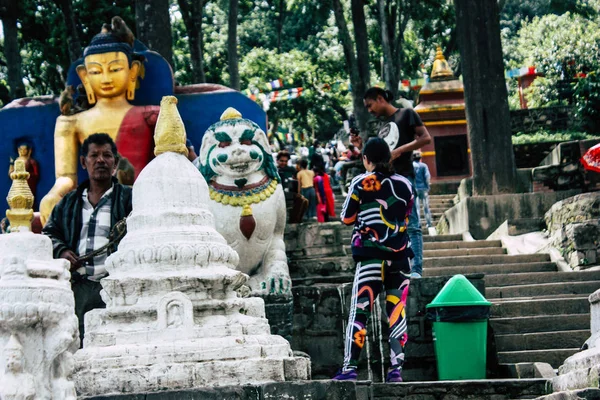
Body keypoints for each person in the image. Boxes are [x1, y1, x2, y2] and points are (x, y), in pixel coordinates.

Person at [39, 19, 159, 225]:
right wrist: (53, 195)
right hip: (92, 199)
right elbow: (66, 178)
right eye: (95, 71)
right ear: (84, 77)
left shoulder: (151, 114)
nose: (105, 78)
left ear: (132, 71)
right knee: (51, 206)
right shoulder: (70, 123)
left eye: (115, 69)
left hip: (141, 198)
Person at [333, 137, 414, 383]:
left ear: (366, 159)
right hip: (400, 258)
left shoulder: (361, 182)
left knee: (359, 313)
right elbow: (406, 215)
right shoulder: (405, 184)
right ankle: (395, 371)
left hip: (370, 257)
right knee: (396, 312)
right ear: (389, 158)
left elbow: (346, 219)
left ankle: (349, 369)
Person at [42, 133, 133, 346]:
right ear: (84, 162)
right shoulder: (68, 203)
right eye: (94, 155)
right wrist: (62, 252)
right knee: (78, 345)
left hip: (116, 287)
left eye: (107, 155)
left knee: (116, 345)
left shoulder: (129, 199)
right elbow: (48, 234)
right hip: (79, 288)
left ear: (115, 163)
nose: (100, 160)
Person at [357, 87, 432, 279]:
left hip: (404, 177)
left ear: (380, 98)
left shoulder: (407, 114)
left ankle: (416, 269)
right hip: (385, 182)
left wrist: (399, 151)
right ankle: (397, 267)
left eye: (370, 105)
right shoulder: (382, 128)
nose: (369, 110)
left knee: (412, 224)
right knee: (389, 226)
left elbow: (425, 138)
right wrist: (360, 146)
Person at [413, 151, 433, 229]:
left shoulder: (411, 166)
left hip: (415, 189)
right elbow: (427, 177)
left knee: (417, 207)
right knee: (426, 207)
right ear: (420, 158)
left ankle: (418, 223)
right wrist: (428, 186)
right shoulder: (424, 166)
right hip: (423, 188)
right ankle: (429, 223)